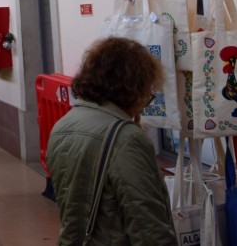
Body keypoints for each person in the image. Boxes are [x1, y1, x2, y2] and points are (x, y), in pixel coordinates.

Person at [46, 36, 177, 245]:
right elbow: (148, 226)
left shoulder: (63, 126)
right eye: (147, 93)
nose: (144, 103)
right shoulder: (126, 139)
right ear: (132, 87)